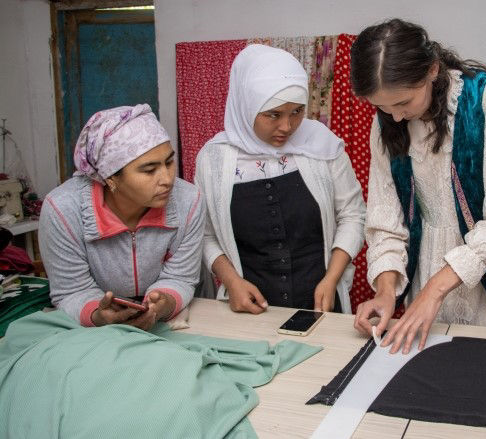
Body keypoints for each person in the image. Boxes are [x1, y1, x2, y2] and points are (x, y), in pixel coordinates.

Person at [351, 19, 486, 354]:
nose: (395, 117)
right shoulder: (386, 122)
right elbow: (385, 221)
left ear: (432, 70)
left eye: (403, 103)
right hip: (428, 267)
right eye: (382, 107)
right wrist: (384, 291)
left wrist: (434, 290)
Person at [196, 44, 365, 314]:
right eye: (273, 114)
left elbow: (353, 215)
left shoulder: (322, 146)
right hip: (248, 308)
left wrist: (331, 278)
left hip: (321, 304)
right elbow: (205, 234)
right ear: (246, 106)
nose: (286, 126)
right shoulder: (213, 160)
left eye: (297, 111)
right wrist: (232, 282)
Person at [39, 104, 205, 329]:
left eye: (169, 162)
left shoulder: (189, 200)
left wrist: (162, 305)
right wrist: (98, 315)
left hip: (165, 323)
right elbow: (71, 290)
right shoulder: (62, 210)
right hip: (89, 331)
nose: (167, 179)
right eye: (149, 170)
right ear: (110, 178)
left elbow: (181, 277)